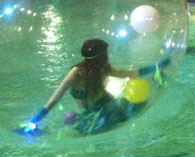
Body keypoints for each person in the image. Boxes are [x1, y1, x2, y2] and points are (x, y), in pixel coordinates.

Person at [24, 39, 169, 135]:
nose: (107, 55)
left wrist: (156, 67)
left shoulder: (103, 68)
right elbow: (57, 95)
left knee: (118, 123)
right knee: (82, 130)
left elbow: (130, 73)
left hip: (106, 106)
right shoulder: (76, 73)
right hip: (89, 111)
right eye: (105, 53)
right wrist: (37, 119)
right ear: (101, 56)